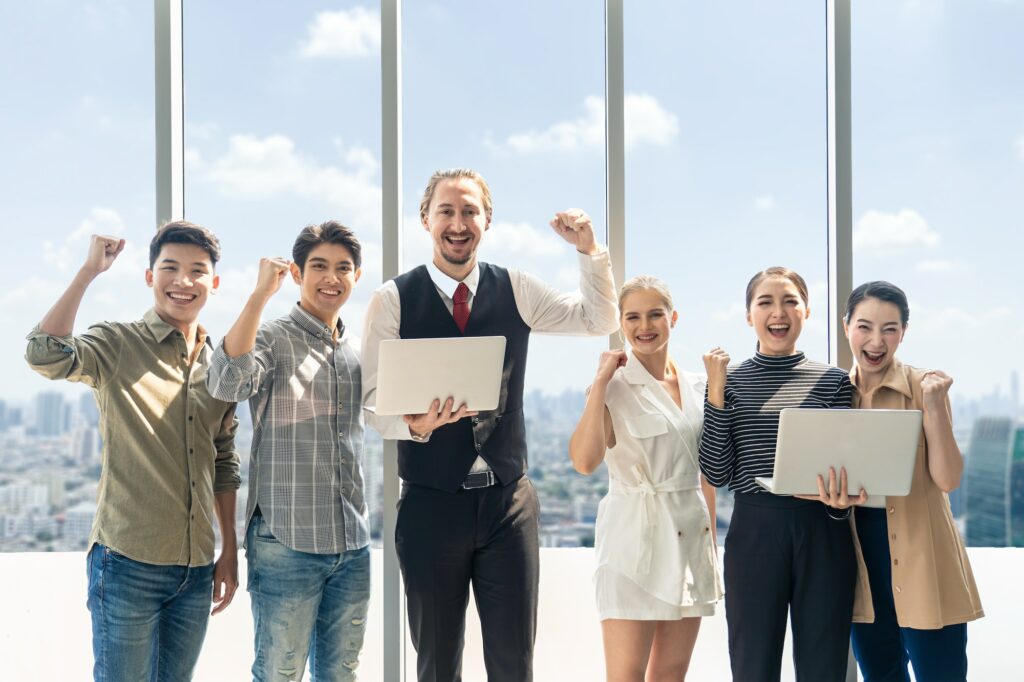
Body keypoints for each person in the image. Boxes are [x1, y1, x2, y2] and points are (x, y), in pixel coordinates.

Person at [361, 168, 618, 681]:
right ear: (426, 219)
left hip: (508, 504)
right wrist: (414, 424)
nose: (459, 223)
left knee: (513, 663)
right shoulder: (392, 299)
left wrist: (590, 252)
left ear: (487, 220)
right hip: (432, 504)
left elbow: (599, 319)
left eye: (470, 211)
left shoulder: (517, 287)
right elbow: (371, 401)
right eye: (447, 211)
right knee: (437, 663)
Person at [26, 223, 241, 681]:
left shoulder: (220, 365)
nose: (183, 282)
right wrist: (88, 272)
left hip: (198, 568)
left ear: (214, 283)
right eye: (170, 269)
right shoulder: (118, 342)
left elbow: (224, 461)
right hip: (127, 564)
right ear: (149, 277)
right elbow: (44, 354)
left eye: (197, 271)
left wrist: (229, 550)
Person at [206, 221, 370, 681]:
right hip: (286, 540)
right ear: (297, 273)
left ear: (357, 275)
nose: (331, 278)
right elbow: (225, 380)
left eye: (343, 268)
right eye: (318, 266)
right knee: (279, 673)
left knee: (342, 673)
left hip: (352, 542)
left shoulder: (359, 349)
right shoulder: (273, 336)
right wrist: (259, 296)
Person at [698, 266, 860, 681]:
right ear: (749, 315)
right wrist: (715, 393)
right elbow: (716, 471)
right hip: (754, 531)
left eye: (790, 301)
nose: (779, 312)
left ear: (806, 311)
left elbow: (846, 468)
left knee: (824, 666)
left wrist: (840, 508)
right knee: (753, 665)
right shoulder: (727, 382)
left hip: (824, 530)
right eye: (765, 302)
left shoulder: (834, 382)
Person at [569, 275, 722, 682]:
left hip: (688, 541)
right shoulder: (612, 387)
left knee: (671, 675)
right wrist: (600, 382)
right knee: (626, 676)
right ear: (621, 324)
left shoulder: (698, 386)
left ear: (673, 318)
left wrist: (711, 550)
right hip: (630, 545)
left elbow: (706, 474)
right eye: (633, 317)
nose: (645, 325)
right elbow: (584, 462)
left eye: (655, 314)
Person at [842, 281, 983, 682]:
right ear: (847, 326)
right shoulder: (834, 393)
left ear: (903, 332)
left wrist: (935, 408)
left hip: (923, 554)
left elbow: (948, 479)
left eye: (889, 328)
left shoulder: (925, 387)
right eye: (864, 326)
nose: (876, 340)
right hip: (862, 564)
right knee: (881, 674)